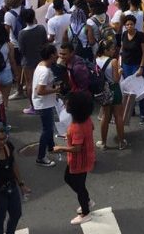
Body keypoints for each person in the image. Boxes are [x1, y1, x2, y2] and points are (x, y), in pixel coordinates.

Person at [53, 91, 96, 225]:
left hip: (79, 161)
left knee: (79, 186)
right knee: (70, 179)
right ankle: (87, 201)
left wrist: (60, 148)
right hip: (85, 157)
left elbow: (77, 149)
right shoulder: (86, 120)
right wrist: (70, 137)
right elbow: (91, 128)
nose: (65, 105)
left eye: (68, 103)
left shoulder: (76, 127)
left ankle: (85, 211)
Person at [94, 41, 126, 150]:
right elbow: (116, 79)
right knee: (118, 116)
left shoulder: (96, 60)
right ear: (105, 50)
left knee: (105, 116)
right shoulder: (114, 61)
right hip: (114, 89)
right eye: (111, 49)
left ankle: (103, 142)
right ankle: (121, 142)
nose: (114, 51)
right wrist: (120, 71)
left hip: (103, 90)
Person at [32, 44, 60, 167]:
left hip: (44, 103)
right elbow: (40, 91)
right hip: (44, 104)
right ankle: (41, 157)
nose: (57, 55)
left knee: (49, 127)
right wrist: (56, 90)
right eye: (56, 53)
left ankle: (51, 147)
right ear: (51, 55)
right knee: (47, 130)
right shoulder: (45, 71)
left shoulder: (41, 65)